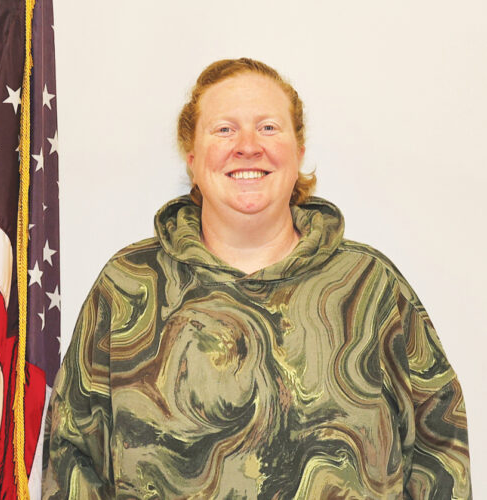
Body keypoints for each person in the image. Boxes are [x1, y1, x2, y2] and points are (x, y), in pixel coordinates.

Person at [42, 58, 472, 499]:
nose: (248, 146)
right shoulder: (129, 286)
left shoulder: (368, 287)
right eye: (224, 129)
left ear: (298, 152)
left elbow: (441, 445)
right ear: (192, 160)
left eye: (268, 127)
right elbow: (73, 454)